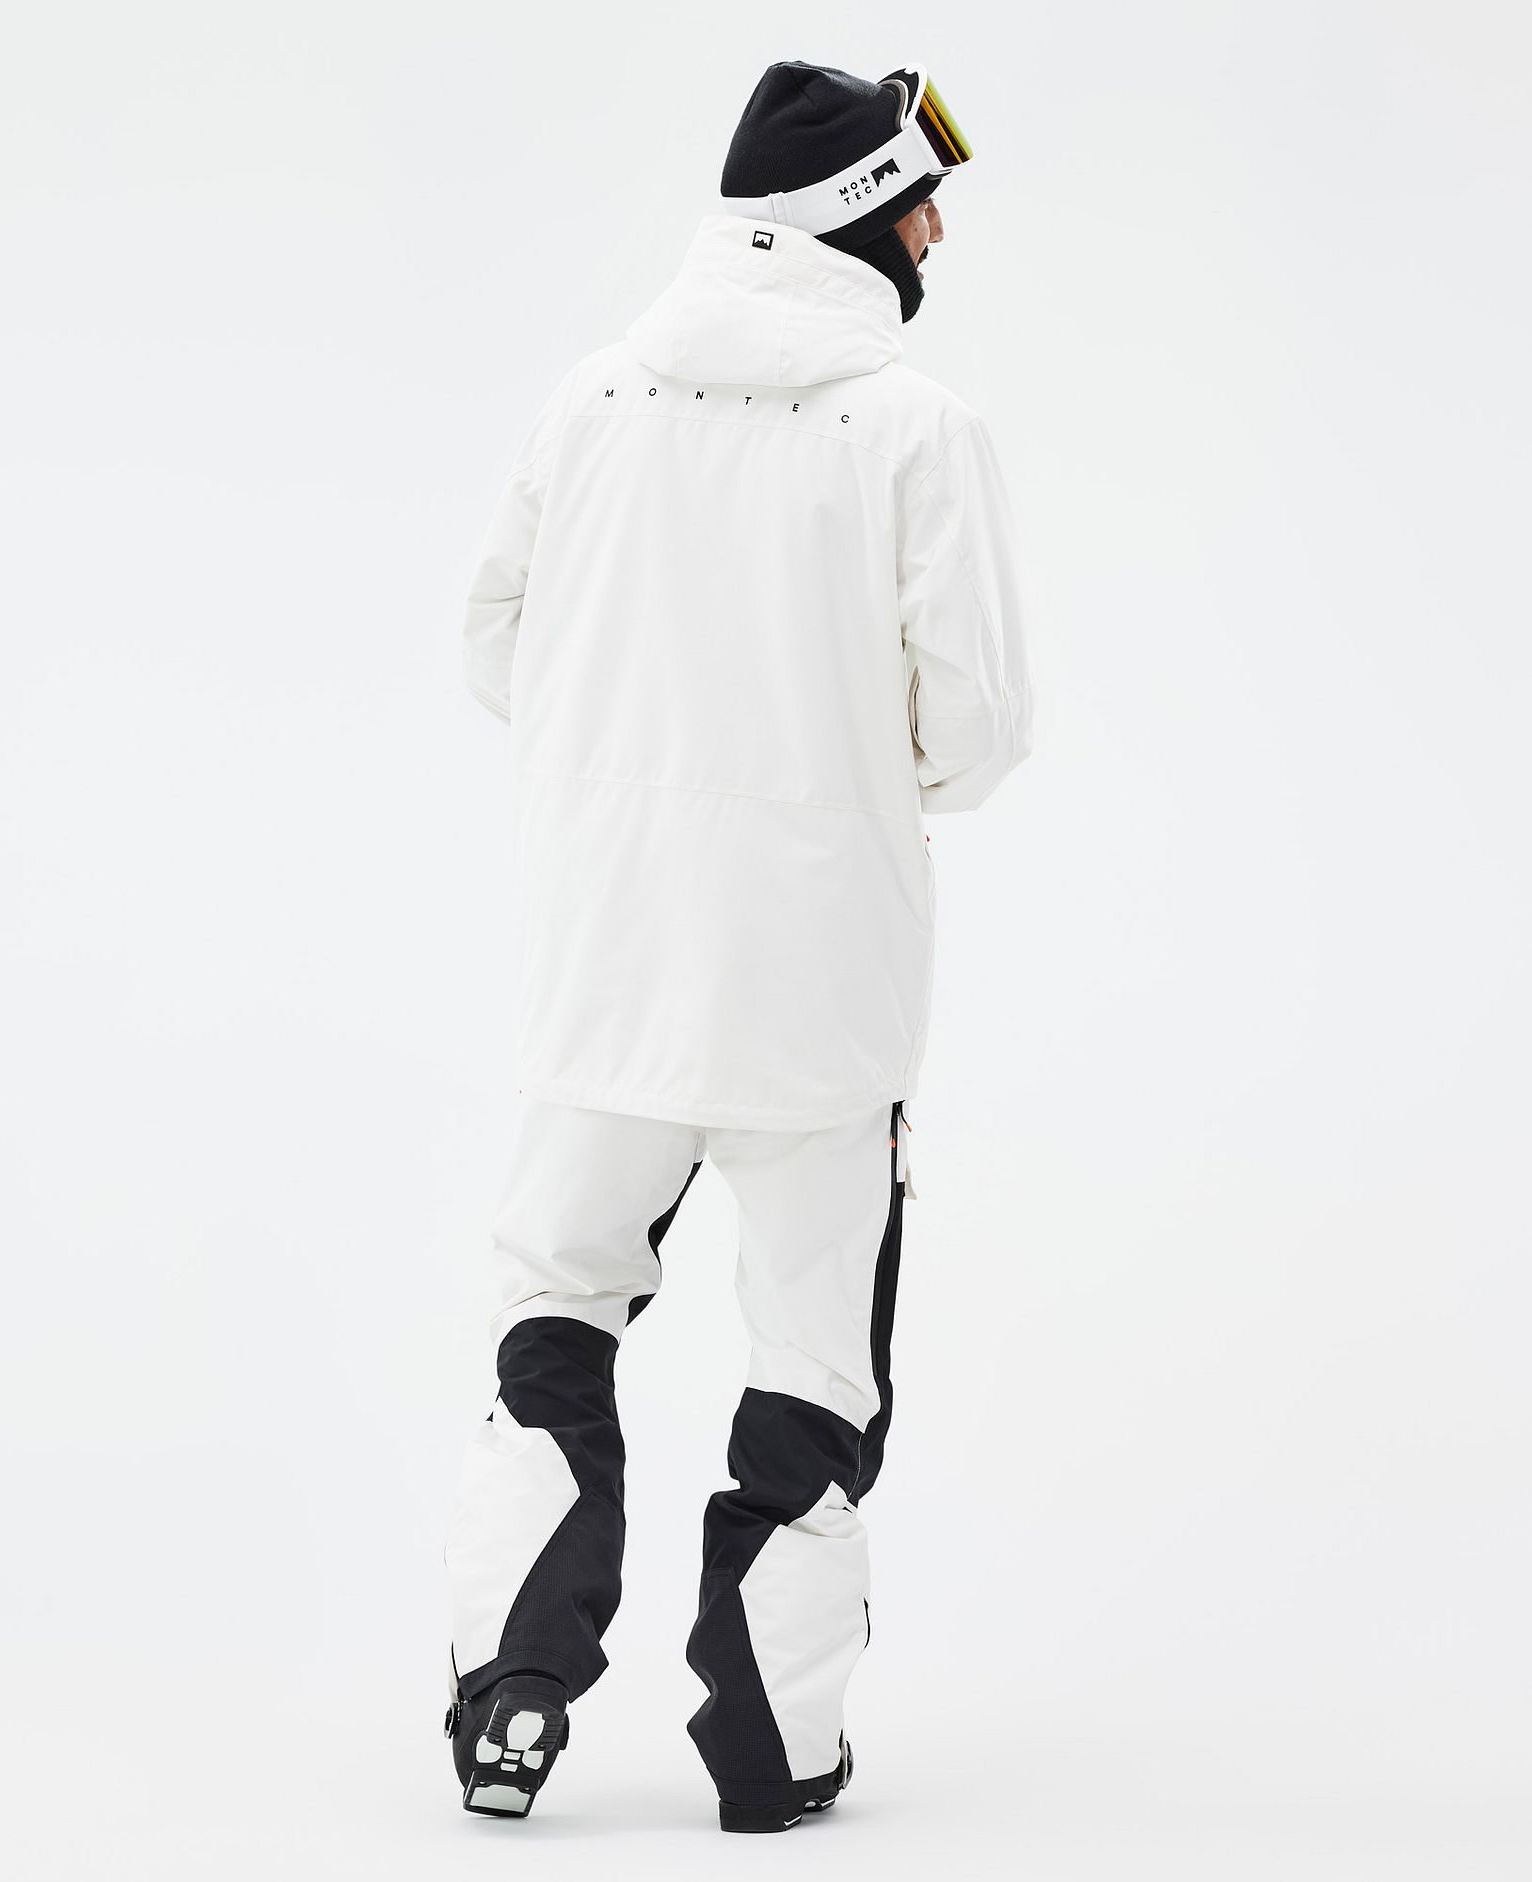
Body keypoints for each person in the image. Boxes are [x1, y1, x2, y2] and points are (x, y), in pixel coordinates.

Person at [443, 57, 1033, 1833]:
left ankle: (508, 1699)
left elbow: (494, 641)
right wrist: (831, 773)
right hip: (819, 1001)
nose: (935, 238)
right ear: (853, 215)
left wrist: (622, 770)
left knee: (554, 1317)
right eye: (918, 206)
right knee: (814, 1365)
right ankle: (774, 1750)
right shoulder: (917, 430)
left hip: (604, 976)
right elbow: (978, 737)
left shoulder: (592, 398)